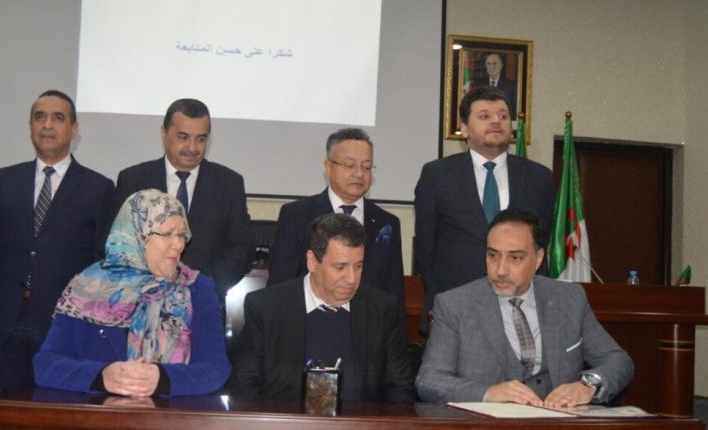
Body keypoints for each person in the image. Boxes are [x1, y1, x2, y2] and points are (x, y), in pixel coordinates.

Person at [0, 90, 114, 391]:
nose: (47, 125)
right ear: (30, 126)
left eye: (58, 118)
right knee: (6, 411)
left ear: (74, 129)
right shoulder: (5, 180)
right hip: (6, 326)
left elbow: (103, 267)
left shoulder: (98, 188)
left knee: (57, 411)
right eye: (39, 117)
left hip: (65, 329)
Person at [416, 208, 633, 406]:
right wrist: (489, 393)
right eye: (493, 255)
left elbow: (618, 361)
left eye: (515, 258)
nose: (500, 270)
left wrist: (587, 386)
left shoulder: (569, 299)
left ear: (538, 259)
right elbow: (429, 380)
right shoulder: (454, 304)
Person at [33, 190, 231, 397]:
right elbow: (45, 365)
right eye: (166, 234)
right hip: (99, 412)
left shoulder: (197, 288)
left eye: (182, 235)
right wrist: (101, 376)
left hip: (170, 413)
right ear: (136, 234)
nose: (179, 244)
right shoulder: (87, 287)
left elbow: (217, 368)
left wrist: (162, 378)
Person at [230, 213, 414, 403]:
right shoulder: (267, 308)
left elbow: (399, 388)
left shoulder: (382, 310)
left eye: (358, 266)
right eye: (340, 267)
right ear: (312, 261)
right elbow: (244, 385)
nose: (352, 279)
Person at [414, 86, 554, 330]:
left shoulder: (539, 177)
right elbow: (426, 248)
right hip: (456, 307)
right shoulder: (437, 174)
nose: (496, 121)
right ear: (465, 128)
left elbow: (541, 243)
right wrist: (441, 299)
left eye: (503, 116)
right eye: (484, 116)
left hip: (521, 307)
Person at [113, 98, 252, 300]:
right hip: (141, 301)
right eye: (183, 137)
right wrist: (150, 289)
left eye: (201, 139)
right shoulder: (134, 180)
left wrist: (203, 288)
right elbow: (119, 245)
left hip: (205, 300)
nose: (192, 147)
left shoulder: (229, 184)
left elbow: (241, 250)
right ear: (163, 133)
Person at [267, 128, 404, 307]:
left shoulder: (387, 222)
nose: (359, 174)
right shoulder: (296, 215)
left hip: (369, 321)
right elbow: (280, 285)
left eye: (367, 167)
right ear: (328, 167)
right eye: (349, 165)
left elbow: (394, 293)